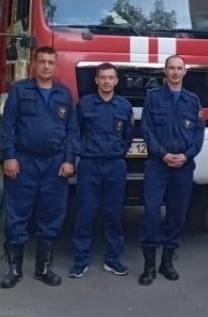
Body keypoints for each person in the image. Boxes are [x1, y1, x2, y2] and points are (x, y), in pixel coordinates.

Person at [0, 46, 79, 289]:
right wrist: (8, 157)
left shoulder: (64, 94)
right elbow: (7, 126)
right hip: (24, 162)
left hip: (55, 164)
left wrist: (69, 160)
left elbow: (72, 131)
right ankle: (14, 268)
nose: (46, 66)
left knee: (52, 214)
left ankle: (43, 268)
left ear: (55, 66)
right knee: (17, 214)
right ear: (34, 64)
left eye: (50, 62)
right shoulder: (20, 90)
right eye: (42, 61)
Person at [138, 55, 205, 286]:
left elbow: (198, 135)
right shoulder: (153, 98)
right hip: (157, 165)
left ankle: (167, 261)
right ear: (164, 72)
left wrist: (185, 156)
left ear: (185, 72)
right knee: (151, 212)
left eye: (179, 68)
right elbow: (147, 129)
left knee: (177, 213)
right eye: (171, 68)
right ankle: (149, 266)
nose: (175, 72)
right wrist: (163, 154)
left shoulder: (193, 101)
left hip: (183, 167)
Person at [68, 63, 135, 278]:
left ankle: (112, 259)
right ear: (96, 80)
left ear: (116, 81)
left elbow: (128, 136)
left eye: (111, 77)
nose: (107, 81)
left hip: (115, 165)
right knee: (85, 212)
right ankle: (80, 260)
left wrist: (117, 153)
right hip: (90, 164)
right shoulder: (85, 105)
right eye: (103, 77)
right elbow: (75, 132)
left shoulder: (124, 107)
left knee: (114, 213)